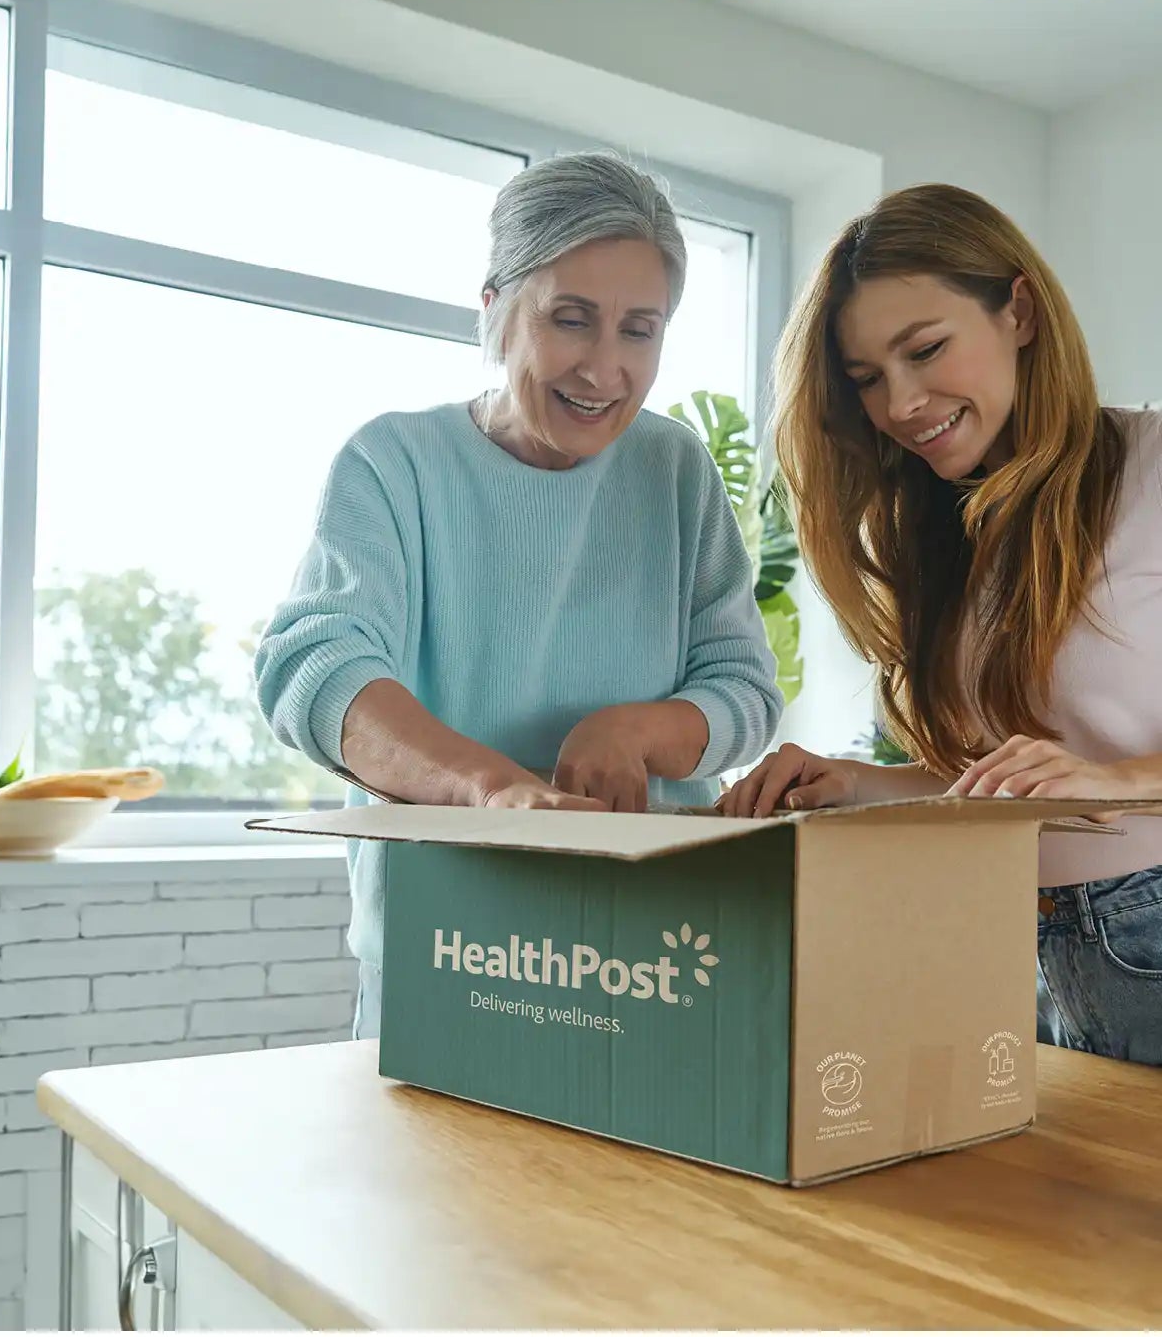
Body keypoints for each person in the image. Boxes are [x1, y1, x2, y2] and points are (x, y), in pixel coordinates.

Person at [254, 152, 784, 1041]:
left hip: (653, 957)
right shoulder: (394, 465)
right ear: (495, 309)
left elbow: (744, 690)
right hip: (449, 955)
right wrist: (494, 791)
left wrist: (635, 730)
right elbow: (317, 669)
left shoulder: (676, 470)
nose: (604, 369)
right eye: (571, 320)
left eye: (639, 330)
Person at [719, 183, 1162, 1066]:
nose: (902, 403)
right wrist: (852, 783)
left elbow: (1078, 777)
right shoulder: (939, 534)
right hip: (1002, 941)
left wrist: (1116, 777)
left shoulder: (1152, 466)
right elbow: (993, 783)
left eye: (925, 350)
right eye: (868, 381)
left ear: (1020, 311)